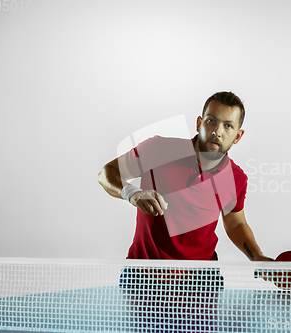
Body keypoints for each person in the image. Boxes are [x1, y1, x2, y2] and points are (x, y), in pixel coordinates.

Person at [98, 91, 273, 263]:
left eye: (228, 126)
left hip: (201, 279)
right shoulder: (158, 149)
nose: (217, 131)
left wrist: (256, 256)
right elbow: (107, 173)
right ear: (199, 123)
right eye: (211, 121)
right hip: (142, 273)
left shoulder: (237, 178)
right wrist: (132, 194)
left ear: (238, 136)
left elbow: (236, 224)